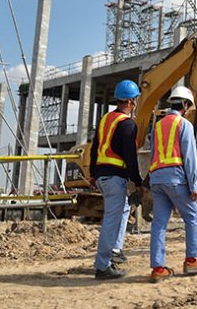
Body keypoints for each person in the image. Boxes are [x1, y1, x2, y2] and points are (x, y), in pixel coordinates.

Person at [147, 86, 197, 283]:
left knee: (158, 223)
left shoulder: (157, 126)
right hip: (175, 177)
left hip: (156, 177)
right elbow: (190, 158)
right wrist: (193, 186)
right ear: (184, 104)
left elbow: (152, 154)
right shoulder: (184, 125)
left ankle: (158, 268)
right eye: (188, 106)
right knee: (192, 216)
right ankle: (192, 260)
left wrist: (151, 179)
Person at [89, 79, 143, 280]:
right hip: (114, 176)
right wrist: (137, 181)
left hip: (103, 175)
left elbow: (95, 148)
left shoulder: (105, 120)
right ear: (130, 102)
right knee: (112, 220)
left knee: (123, 209)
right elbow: (130, 156)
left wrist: (93, 174)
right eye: (136, 99)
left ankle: (115, 251)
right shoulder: (127, 124)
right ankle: (103, 266)